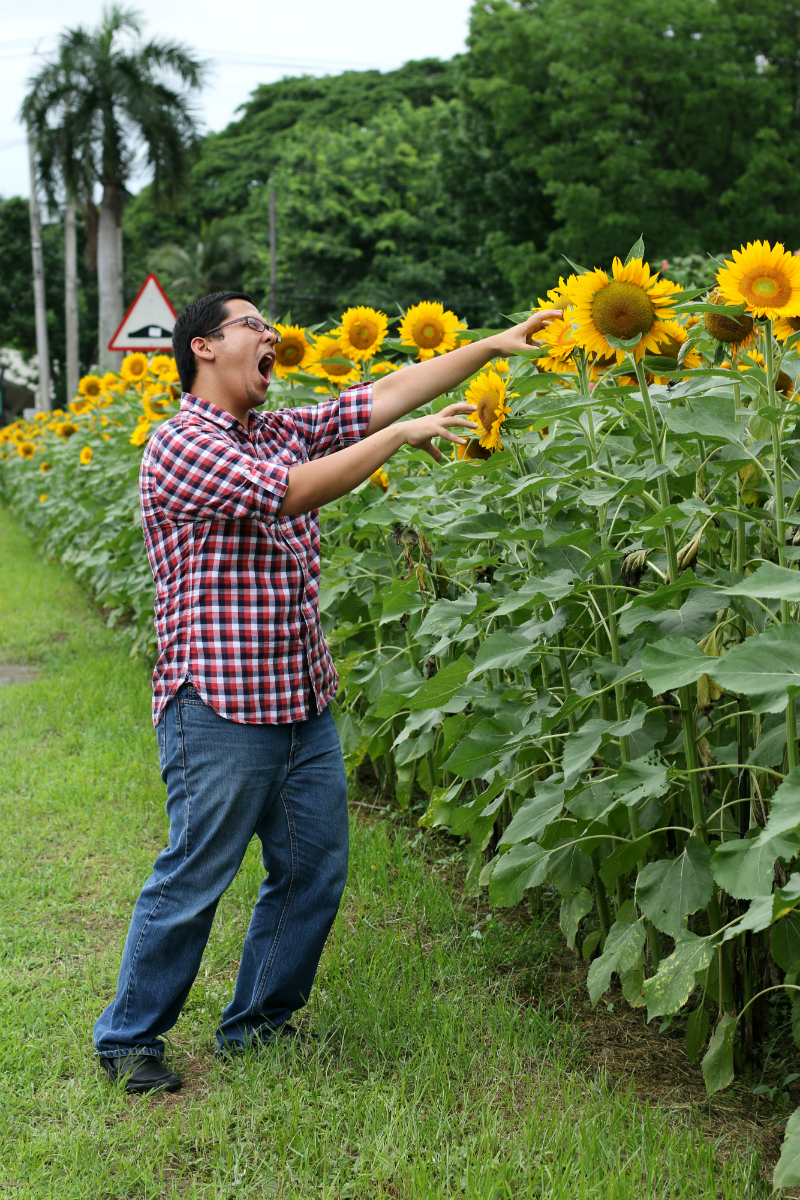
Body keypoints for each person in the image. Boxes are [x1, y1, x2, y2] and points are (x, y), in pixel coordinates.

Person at [93, 290, 558, 1093]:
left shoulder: (275, 428)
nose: (270, 336)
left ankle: (258, 1026)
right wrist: (400, 440)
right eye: (251, 326)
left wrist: (489, 347)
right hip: (221, 706)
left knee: (312, 870)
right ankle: (130, 1038)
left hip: (302, 701)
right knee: (196, 874)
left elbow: (378, 396)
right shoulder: (179, 444)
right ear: (202, 347)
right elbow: (290, 493)